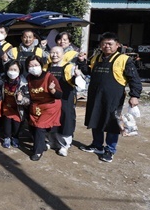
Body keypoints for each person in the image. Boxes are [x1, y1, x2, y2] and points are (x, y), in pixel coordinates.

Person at [77, 32, 142, 162]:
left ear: (117, 45)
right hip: (95, 96)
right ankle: (97, 145)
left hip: (113, 98)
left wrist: (134, 95)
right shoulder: (97, 57)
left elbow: (134, 79)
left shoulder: (124, 60)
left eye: (110, 44)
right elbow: (88, 72)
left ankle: (110, 150)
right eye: (104, 44)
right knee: (95, 119)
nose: (106, 46)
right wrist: (82, 62)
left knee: (112, 123)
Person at [25, 55, 62, 161]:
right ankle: (42, 144)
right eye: (30, 65)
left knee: (40, 127)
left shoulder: (49, 77)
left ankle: (38, 151)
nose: (33, 67)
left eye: (36, 65)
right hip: (36, 105)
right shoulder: (28, 78)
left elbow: (59, 95)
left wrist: (52, 90)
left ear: (41, 65)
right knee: (32, 126)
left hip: (50, 106)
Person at [47, 46, 79, 157]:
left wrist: (77, 76)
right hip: (51, 100)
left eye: (57, 53)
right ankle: (52, 142)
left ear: (63, 54)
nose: (54, 55)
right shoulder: (47, 67)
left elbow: (77, 81)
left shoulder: (69, 67)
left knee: (65, 121)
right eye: (52, 52)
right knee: (51, 121)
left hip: (65, 100)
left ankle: (64, 145)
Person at [0, 61, 29, 149]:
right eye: (10, 69)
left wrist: (21, 99)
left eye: (15, 69)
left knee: (17, 125)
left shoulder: (24, 83)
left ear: (19, 70)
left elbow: (28, 100)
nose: (12, 72)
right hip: (6, 106)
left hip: (18, 108)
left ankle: (15, 138)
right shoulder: (3, 80)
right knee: (7, 123)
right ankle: (7, 138)